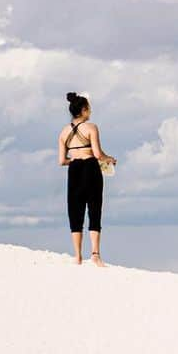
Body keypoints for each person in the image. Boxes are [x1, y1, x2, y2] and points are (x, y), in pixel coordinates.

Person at [58, 92, 117, 265]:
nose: (90, 111)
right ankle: (95, 254)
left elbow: (62, 161)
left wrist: (75, 160)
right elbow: (98, 154)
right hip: (90, 167)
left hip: (74, 169)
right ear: (83, 110)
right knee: (94, 208)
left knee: (75, 212)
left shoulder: (63, 132)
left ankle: (77, 256)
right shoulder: (91, 127)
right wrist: (110, 159)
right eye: (88, 108)